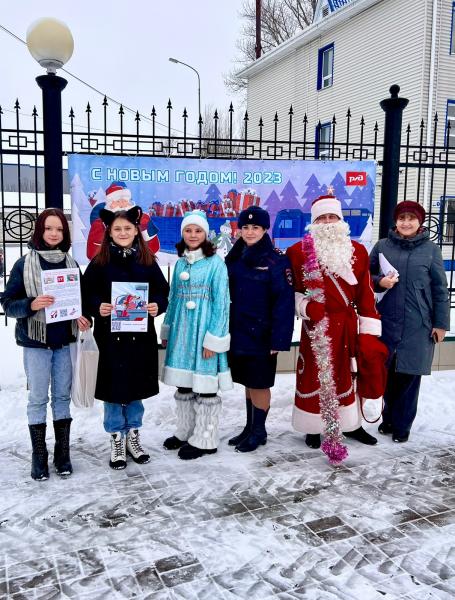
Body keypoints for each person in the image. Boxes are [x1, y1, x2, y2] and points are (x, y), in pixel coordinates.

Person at [286, 195, 386, 463]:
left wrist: (368, 331)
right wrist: (307, 307)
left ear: (341, 221)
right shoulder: (297, 252)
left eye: (332, 217)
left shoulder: (358, 251)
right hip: (317, 325)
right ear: (313, 223)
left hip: (347, 327)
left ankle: (352, 425)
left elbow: (365, 293)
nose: (328, 223)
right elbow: (293, 293)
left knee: (348, 374)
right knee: (314, 376)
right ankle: (313, 427)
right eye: (321, 218)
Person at [0, 208, 90, 481]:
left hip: (64, 342)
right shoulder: (24, 264)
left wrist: (83, 317)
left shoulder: (72, 265)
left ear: (65, 233)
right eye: (49, 228)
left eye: (59, 229)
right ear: (40, 230)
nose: (54, 233)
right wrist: (31, 304)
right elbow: (7, 303)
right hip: (36, 342)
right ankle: (39, 455)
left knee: (62, 398)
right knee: (37, 398)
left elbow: (80, 302)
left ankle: (63, 453)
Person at [82, 205, 169, 470]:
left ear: (136, 231)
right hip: (110, 338)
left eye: (127, 228)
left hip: (139, 339)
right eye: (117, 229)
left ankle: (133, 434)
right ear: (109, 232)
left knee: (135, 389)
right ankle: (116, 437)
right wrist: (98, 306)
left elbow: (163, 292)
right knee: (112, 389)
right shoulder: (99, 263)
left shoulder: (147, 261)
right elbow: (86, 295)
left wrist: (156, 305)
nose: (122, 232)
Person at [370, 200, 450, 442]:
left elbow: (440, 289)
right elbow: (366, 275)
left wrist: (441, 323)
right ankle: (388, 419)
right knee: (387, 374)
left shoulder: (430, 250)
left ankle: (402, 425)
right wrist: (378, 282)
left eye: (411, 218)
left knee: (408, 376)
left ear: (420, 222)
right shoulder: (382, 246)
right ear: (395, 221)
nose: (406, 223)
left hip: (418, 325)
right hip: (387, 322)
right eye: (402, 218)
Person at [161, 210, 233, 460]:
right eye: (188, 230)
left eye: (198, 230)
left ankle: (206, 438)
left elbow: (222, 304)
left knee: (205, 386)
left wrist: (214, 339)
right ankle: (185, 430)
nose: (193, 235)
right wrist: (167, 329)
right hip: (182, 333)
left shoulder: (216, 264)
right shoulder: (180, 262)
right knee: (184, 384)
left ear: (206, 234)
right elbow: (172, 300)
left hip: (204, 333)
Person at [225, 206, 295, 452]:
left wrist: (279, 340)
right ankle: (249, 426)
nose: (250, 231)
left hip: (263, 335)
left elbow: (284, 302)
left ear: (265, 229)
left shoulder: (276, 259)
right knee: (247, 380)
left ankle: (259, 431)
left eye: (255, 227)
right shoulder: (234, 255)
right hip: (240, 331)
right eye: (245, 227)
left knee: (259, 383)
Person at [86, 181, 160, 259]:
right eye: (117, 201)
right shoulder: (99, 224)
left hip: (136, 266)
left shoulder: (140, 220)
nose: (122, 204)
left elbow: (154, 248)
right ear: (110, 204)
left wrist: (145, 226)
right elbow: (92, 254)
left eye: (125, 200)